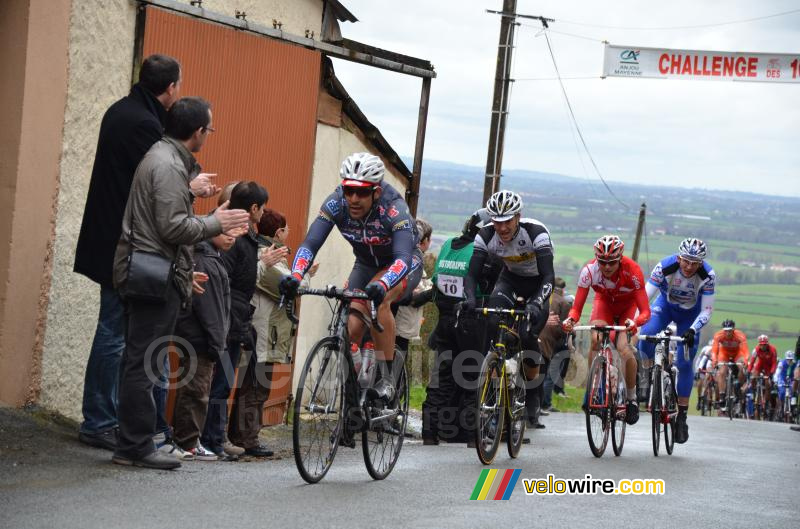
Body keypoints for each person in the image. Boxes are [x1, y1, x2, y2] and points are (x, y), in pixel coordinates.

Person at [111, 97, 250, 469]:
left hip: (153, 271)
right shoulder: (169, 165)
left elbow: (164, 216)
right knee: (143, 363)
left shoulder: (163, 158)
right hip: (153, 276)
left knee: (141, 360)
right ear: (198, 132)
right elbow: (173, 227)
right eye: (210, 128)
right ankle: (134, 445)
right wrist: (218, 222)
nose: (209, 134)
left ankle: (135, 442)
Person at [74, 54, 185, 451]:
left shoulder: (121, 110)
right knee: (114, 334)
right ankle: (100, 420)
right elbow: (155, 187)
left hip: (106, 237)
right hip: (120, 246)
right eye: (178, 86)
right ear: (170, 88)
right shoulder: (144, 124)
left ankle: (104, 418)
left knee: (114, 332)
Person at [280, 152, 423, 404]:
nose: (354, 199)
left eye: (362, 192)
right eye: (349, 190)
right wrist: (295, 274)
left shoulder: (394, 209)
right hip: (366, 264)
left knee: (379, 301)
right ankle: (357, 386)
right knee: (352, 328)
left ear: (376, 192)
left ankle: (387, 380)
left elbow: (402, 257)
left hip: (402, 265)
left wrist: (383, 283)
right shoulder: (337, 203)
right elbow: (311, 243)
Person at [461, 190, 555, 429]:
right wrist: (470, 299)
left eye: (507, 221)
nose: (501, 228)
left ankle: (528, 390)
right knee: (493, 323)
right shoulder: (486, 235)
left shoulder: (536, 233)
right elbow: (471, 274)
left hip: (537, 284)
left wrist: (536, 303)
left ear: (518, 217)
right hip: (510, 280)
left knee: (527, 335)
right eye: (496, 221)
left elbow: (548, 276)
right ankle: (496, 377)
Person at [202, 181, 282, 459]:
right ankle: (212, 438)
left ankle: (215, 436)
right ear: (254, 208)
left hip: (235, 317)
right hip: (228, 317)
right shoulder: (235, 235)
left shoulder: (246, 235)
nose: (264, 213)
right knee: (219, 383)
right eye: (263, 207)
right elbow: (226, 280)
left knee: (222, 382)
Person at [415, 209, 494, 445]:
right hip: (471, 320)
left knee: (442, 377)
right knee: (471, 378)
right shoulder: (480, 253)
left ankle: (429, 433)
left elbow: (438, 279)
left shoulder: (449, 245)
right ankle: (472, 435)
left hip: (445, 319)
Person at [562, 235, 650, 426]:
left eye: (611, 262)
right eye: (602, 262)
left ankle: (631, 398)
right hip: (605, 305)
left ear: (620, 258)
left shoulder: (633, 271)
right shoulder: (589, 272)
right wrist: (570, 320)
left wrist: (636, 322)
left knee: (624, 348)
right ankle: (595, 390)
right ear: (597, 259)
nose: (607, 267)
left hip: (628, 308)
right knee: (595, 340)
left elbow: (645, 311)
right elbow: (576, 308)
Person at [637, 238, 716, 443]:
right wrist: (637, 320)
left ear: (701, 263)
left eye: (695, 263)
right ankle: (645, 376)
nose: (689, 267)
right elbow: (645, 297)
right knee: (647, 334)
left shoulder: (707, 275)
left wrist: (693, 329)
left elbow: (707, 309)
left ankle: (681, 416)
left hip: (691, 316)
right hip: (665, 307)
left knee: (684, 362)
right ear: (679, 257)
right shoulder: (664, 266)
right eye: (686, 261)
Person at [171, 231, 236, 461]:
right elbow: (208, 306)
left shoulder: (211, 257)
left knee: (198, 389)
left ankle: (189, 439)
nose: (232, 238)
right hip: (199, 336)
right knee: (195, 390)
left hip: (201, 335)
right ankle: (187, 441)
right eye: (227, 232)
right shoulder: (205, 260)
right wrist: (217, 341)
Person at [394, 218, 433, 355]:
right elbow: (414, 296)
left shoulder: (403, 255)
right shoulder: (414, 260)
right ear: (425, 241)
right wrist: (432, 292)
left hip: (401, 321)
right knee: (396, 363)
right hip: (402, 323)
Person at [540, 277, 573, 413]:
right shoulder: (564, 303)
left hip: (538, 336)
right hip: (554, 342)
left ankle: (537, 405)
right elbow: (564, 327)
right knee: (551, 374)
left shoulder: (544, 297)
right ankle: (545, 404)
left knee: (539, 372)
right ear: (563, 289)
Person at [711, 319, 748, 412]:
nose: (727, 333)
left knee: (741, 367)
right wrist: (714, 360)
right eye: (726, 330)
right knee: (722, 372)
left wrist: (746, 360)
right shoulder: (718, 335)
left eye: (730, 330)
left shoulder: (740, 336)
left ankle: (738, 387)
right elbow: (714, 350)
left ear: (733, 329)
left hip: (737, 354)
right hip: (724, 354)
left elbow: (745, 351)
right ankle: (722, 396)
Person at [746, 334, 778, 414]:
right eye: (761, 345)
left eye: (764, 345)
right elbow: (752, 362)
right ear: (759, 344)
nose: (763, 346)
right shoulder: (756, 350)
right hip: (760, 365)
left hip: (769, 367)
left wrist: (771, 373)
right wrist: (749, 371)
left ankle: (766, 402)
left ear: (767, 344)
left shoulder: (773, 349)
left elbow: (774, 363)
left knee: (767, 384)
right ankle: (753, 392)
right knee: (753, 377)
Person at [694, 339, 714, 410]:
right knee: (700, 382)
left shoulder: (718, 350)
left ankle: (710, 396)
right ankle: (699, 399)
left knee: (710, 379)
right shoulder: (705, 349)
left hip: (711, 366)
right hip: (703, 365)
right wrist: (697, 369)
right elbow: (700, 360)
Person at [774, 350, 795, 415]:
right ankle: (781, 405)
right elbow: (777, 373)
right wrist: (776, 380)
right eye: (788, 359)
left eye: (791, 359)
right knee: (782, 392)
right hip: (782, 379)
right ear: (786, 359)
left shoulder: (795, 364)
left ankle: (793, 407)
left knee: (793, 393)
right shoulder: (781, 363)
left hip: (791, 380)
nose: (789, 361)